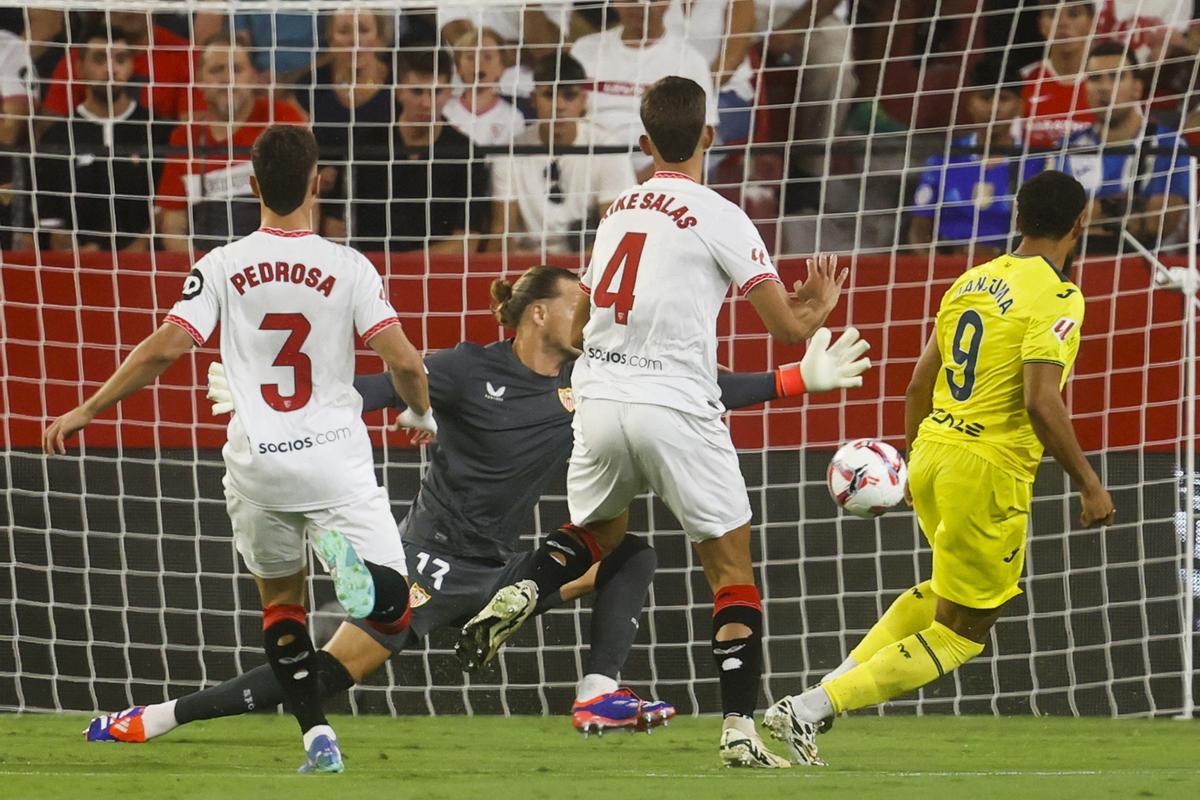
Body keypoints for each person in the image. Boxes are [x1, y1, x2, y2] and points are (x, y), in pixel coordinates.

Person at [78, 264, 823, 739]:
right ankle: (159, 717)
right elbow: (365, 390)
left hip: (506, 573)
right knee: (327, 675)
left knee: (630, 553)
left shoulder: (595, 376)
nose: (594, 318)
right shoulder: (469, 369)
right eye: (580, 306)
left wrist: (793, 380)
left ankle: (597, 691)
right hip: (430, 561)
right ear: (538, 313)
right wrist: (267, 407)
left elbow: (693, 388)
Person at [457, 76, 870, 768]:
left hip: (600, 398)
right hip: (676, 405)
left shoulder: (619, 208)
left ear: (644, 144)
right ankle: (739, 729)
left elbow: (588, 318)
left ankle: (525, 587)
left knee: (597, 533)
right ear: (711, 135)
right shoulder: (722, 215)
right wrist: (817, 305)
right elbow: (785, 330)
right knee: (731, 571)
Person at [46, 124, 436, 773]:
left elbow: (166, 350)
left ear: (252, 186)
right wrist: (420, 410)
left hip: (258, 462)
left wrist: (90, 407)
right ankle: (351, 572)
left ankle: (317, 739)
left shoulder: (222, 264)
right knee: (392, 614)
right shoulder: (350, 268)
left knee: (282, 603)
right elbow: (404, 362)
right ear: (317, 182)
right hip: (334, 457)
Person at [763, 170, 1115, 766]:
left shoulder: (971, 281)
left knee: (941, 596)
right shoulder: (1059, 297)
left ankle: (815, 699)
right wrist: (1089, 483)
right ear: (1081, 223)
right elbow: (1040, 398)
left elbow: (918, 383)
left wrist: (916, 459)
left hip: (933, 452)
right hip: (988, 472)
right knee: (963, 631)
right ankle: (811, 709)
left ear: (1019, 219)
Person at [330, 48, 487, 254]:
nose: (426, 103)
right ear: (398, 90)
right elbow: (334, 224)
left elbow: (467, 240)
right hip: (369, 271)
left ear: (449, 92)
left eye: (436, 92)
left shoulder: (466, 153)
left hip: (439, 274)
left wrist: (406, 268)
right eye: (417, 91)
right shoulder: (364, 145)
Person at [156, 39, 306, 252]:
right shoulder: (184, 137)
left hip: (272, 261)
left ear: (254, 77)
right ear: (200, 80)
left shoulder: (282, 119)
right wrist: (206, 270)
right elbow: (172, 225)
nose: (227, 79)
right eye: (217, 70)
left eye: (237, 69)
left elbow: (305, 207)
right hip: (206, 265)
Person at [487, 53, 635, 254]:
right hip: (528, 268)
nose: (559, 106)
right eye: (549, 95)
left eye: (569, 96)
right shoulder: (510, 153)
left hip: (586, 264)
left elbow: (616, 232)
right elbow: (501, 234)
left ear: (583, 101)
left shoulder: (608, 149)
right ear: (533, 99)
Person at [34, 24, 162, 252]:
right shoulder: (58, 137)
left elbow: (165, 213)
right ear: (80, 67)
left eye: (120, 59)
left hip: (144, 264)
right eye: (99, 59)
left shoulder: (158, 131)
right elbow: (51, 225)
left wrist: (132, 255)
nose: (110, 69)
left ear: (132, 66)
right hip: (79, 267)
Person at [1054, 41, 1190, 253]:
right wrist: (1132, 206)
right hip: (1078, 265)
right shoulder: (1067, 148)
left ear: (1137, 88)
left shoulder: (1169, 145)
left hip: (1149, 268)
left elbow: (1158, 224)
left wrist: (1094, 210)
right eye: (1095, 78)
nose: (1104, 87)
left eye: (1116, 76)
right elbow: (1059, 224)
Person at [908, 58, 1048, 260]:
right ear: (970, 103)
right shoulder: (943, 159)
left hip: (1011, 271)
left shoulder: (1037, 163)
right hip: (947, 268)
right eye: (985, 98)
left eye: (1004, 98)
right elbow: (919, 229)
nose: (994, 108)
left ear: (1020, 106)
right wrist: (935, 267)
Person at [571, 1, 718, 180]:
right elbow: (567, 117)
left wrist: (634, 184)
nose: (642, 6)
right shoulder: (584, 50)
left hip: (658, 173)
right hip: (586, 168)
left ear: (668, 3)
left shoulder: (690, 61)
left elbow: (696, 141)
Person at [292, 10, 396, 236]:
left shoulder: (399, 81)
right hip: (323, 197)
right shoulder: (309, 84)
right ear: (330, 37)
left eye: (364, 30)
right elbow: (295, 146)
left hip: (387, 191)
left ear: (379, 37)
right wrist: (314, 176)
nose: (355, 40)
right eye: (344, 31)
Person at [42, 10, 199, 123]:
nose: (130, 6)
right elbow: (51, 128)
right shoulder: (79, 58)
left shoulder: (186, 55)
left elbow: (192, 135)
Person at [1018, 0, 1097, 149]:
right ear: (1041, 25)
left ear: (1091, 22)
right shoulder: (1022, 80)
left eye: (1074, 14)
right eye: (1053, 15)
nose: (1062, 23)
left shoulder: (1107, 83)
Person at [443, 27, 527, 146]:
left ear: (502, 67)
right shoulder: (443, 110)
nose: (478, 63)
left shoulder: (512, 117)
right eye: (470, 57)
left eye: (487, 57)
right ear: (458, 67)